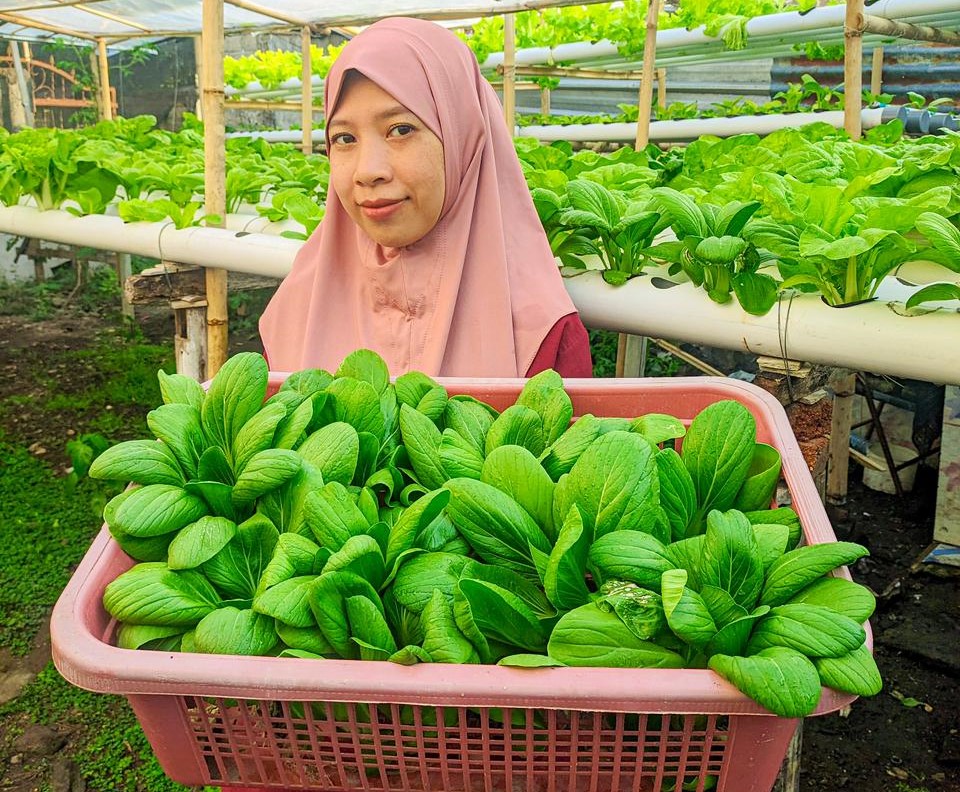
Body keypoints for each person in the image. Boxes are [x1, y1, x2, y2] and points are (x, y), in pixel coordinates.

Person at [258, 16, 592, 379]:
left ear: (462, 138)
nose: (367, 171)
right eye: (344, 138)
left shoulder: (540, 336)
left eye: (400, 130)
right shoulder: (294, 311)